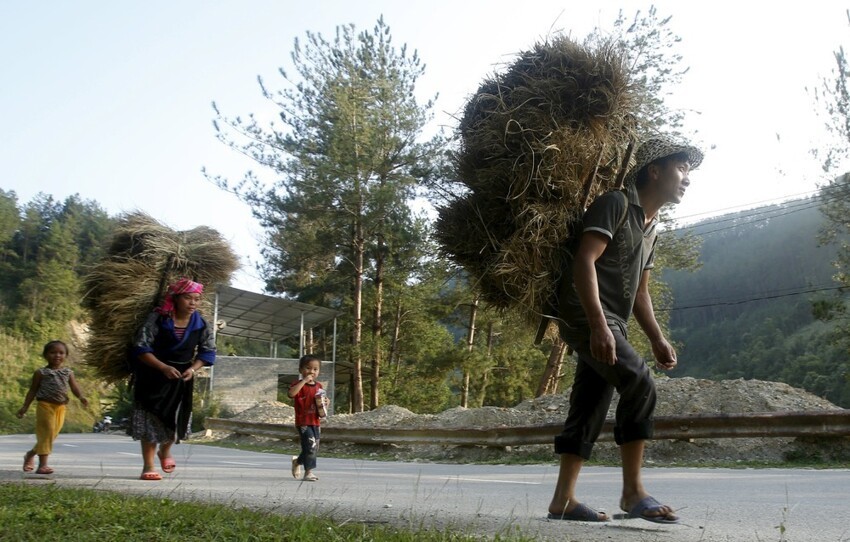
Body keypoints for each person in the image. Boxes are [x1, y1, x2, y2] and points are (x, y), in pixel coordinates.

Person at [548, 136, 704, 524]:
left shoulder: (651, 229)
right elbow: (585, 260)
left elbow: (641, 293)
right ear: (655, 170)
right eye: (681, 168)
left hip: (611, 320)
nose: (687, 178)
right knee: (639, 382)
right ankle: (633, 492)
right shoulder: (616, 203)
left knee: (591, 400)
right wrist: (599, 325)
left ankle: (562, 500)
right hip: (584, 313)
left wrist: (657, 337)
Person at [129, 277, 216, 481]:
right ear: (176, 298)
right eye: (188, 298)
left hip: (181, 378)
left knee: (177, 420)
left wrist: (193, 369)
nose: (193, 303)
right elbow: (141, 348)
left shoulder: (201, 324)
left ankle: (165, 451)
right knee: (150, 420)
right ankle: (148, 465)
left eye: (196, 299)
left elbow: (208, 351)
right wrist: (162, 367)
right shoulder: (158, 319)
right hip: (152, 374)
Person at [17, 340, 89, 475]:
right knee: (47, 433)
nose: (57, 355)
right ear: (45, 355)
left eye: (61, 353)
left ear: (66, 355)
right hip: (45, 405)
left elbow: (74, 387)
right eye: (53, 352)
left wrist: (81, 397)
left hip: (61, 407)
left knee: (51, 436)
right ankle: (43, 465)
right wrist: (24, 407)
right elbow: (32, 390)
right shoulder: (41, 373)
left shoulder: (68, 372)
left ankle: (30, 454)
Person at [288, 354, 327, 482]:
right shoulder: (298, 384)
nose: (311, 371)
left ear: (319, 371)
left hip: (315, 421)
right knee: (310, 445)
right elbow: (291, 394)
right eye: (308, 368)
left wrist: (326, 402)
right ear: (300, 370)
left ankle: (297, 462)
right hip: (303, 421)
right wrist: (304, 381)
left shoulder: (319, 386)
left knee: (313, 447)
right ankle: (309, 472)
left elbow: (321, 401)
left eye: (315, 369)